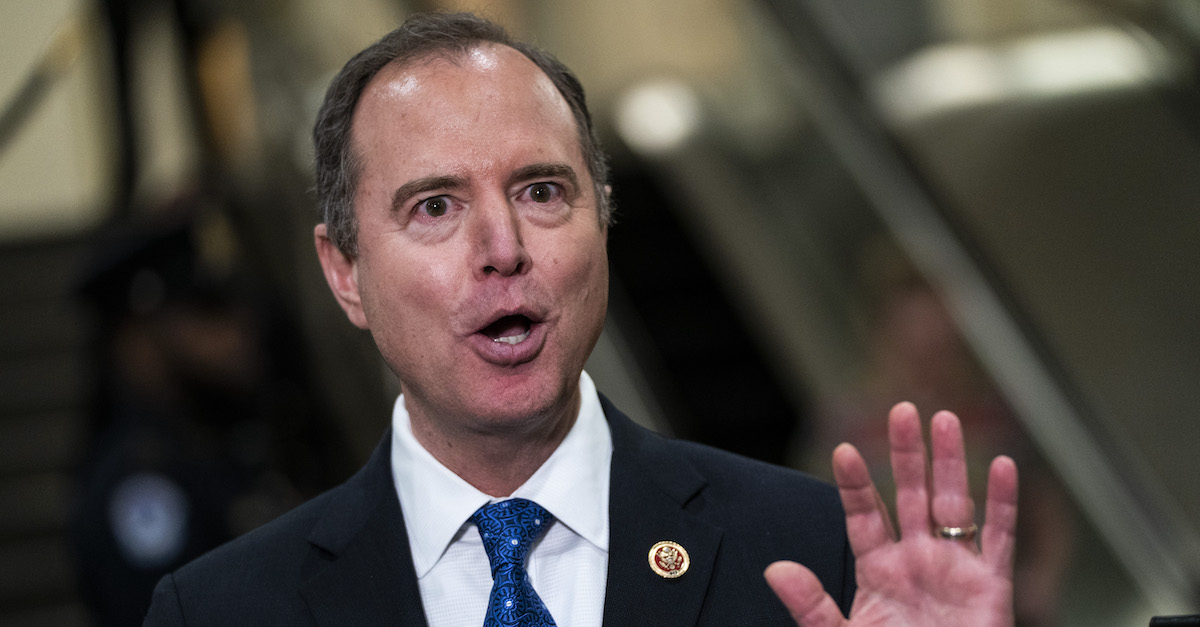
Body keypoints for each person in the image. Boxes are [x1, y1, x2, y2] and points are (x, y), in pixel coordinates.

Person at [144, 12, 1017, 626]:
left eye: (541, 191)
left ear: (602, 221)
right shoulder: (222, 608)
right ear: (345, 273)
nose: (503, 245)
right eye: (436, 207)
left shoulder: (811, 552)